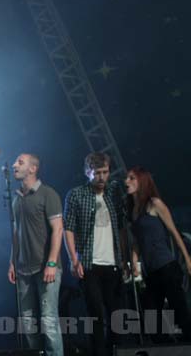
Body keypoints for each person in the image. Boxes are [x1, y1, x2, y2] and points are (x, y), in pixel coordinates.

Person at [64, 152, 125, 356]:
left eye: (105, 172)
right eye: (97, 173)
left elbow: (122, 227)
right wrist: (74, 259)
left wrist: (125, 259)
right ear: (87, 172)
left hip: (113, 263)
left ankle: (115, 351)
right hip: (90, 264)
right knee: (96, 313)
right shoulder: (76, 194)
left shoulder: (113, 194)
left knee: (116, 314)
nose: (101, 177)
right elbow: (69, 228)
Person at [125, 166, 191, 341]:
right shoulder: (134, 211)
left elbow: (174, 232)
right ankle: (164, 346)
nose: (127, 182)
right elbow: (137, 242)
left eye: (132, 178)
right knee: (151, 317)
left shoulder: (155, 204)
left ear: (142, 181)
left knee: (180, 310)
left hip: (167, 266)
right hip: (151, 271)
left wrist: (188, 259)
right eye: (127, 178)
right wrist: (134, 262)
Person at [8, 154, 64, 356]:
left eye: (20, 162)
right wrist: (12, 262)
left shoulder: (48, 194)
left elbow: (58, 230)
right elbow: (16, 232)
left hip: (46, 268)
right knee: (28, 322)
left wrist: (51, 263)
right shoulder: (16, 199)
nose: (14, 165)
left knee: (49, 320)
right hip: (23, 269)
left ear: (33, 169)